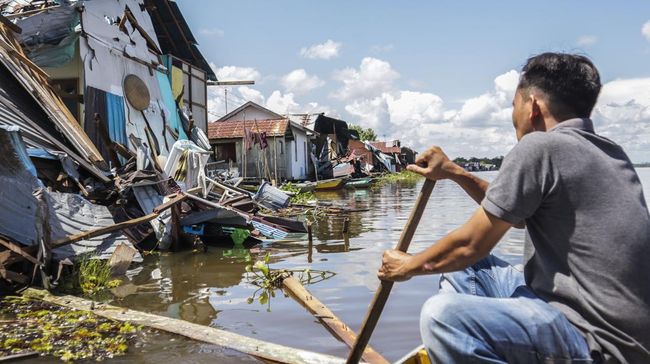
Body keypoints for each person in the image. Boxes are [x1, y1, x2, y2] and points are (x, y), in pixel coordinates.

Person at [378, 53, 650, 363]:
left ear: (533, 106)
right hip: (620, 337)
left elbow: (469, 245)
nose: (513, 116)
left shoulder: (538, 146)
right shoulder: (610, 151)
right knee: (472, 270)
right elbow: (515, 216)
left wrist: (406, 266)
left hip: (594, 344)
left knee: (442, 317)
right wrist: (454, 172)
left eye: (513, 105)